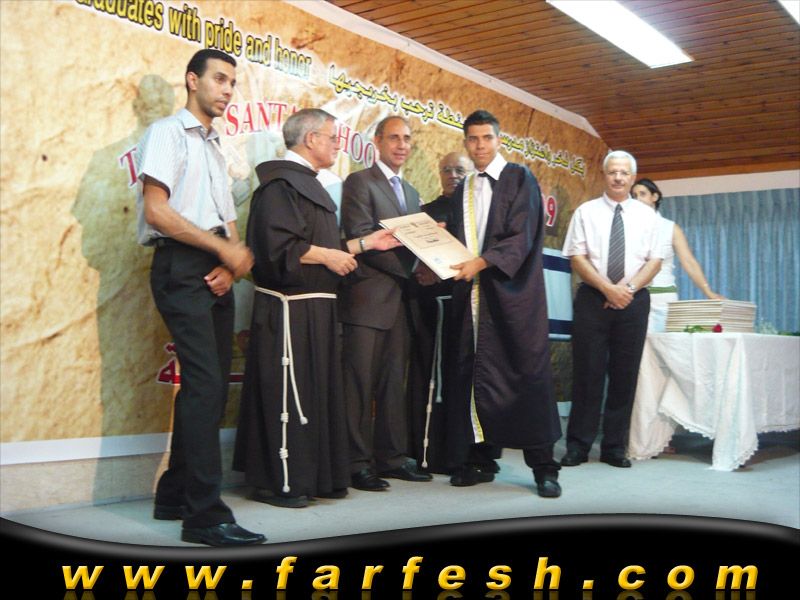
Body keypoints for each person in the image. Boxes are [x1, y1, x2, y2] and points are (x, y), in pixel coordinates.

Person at [232, 109, 400, 508]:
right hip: (289, 312)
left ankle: (315, 476)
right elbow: (276, 249)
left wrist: (365, 244)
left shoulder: (307, 184)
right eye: (332, 137)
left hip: (317, 311)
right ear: (310, 139)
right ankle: (281, 481)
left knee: (315, 397)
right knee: (289, 397)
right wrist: (327, 255)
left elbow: (320, 247)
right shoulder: (279, 186)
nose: (337, 145)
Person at [136, 49, 265, 546]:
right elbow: (157, 211)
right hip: (180, 265)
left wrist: (228, 264)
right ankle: (205, 517)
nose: (228, 90)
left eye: (232, 82)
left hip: (212, 268)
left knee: (205, 387)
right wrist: (221, 251)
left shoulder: (215, 146)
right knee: (206, 386)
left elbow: (225, 221)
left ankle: (174, 495)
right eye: (219, 79)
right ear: (192, 80)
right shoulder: (167, 133)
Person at [442, 109, 562, 498]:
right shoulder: (464, 188)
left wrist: (481, 263)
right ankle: (481, 459)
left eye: (486, 138)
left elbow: (521, 235)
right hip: (473, 298)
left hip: (514, 297)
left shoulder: (520, 178)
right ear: (466, 142)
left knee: (527, 376)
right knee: (474, 376)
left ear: (498, 139)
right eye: (473, 139)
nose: (480, 146)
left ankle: (544, 467)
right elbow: (459, 238)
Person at [339, 115, 432, 491]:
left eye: (407, 138)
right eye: (394, 138)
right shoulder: (359, 182)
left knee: (394, 382)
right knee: (358, 383)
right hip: (366, 299)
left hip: (401, 303)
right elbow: (361, 235)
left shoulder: (411, 191)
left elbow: (414, 244)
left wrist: (432, 257)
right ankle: (355, 462)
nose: (402, 145)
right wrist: (414, 270)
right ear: (376, 142)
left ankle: (391, 457)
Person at [561, 150, 663, 469]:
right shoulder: (586, 212)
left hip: (634, 300)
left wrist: (626, 291)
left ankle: (614, 447)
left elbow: (655, 261)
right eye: (612, 172)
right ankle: (578, 445)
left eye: (624, 173)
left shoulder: (649, 216)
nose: (618, 177)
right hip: (593, 298)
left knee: (624, 375)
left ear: (632, 178)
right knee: (587, 374)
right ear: (604, 175)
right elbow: (577, 257)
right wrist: (608, 289)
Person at [407, 152, 473, 473]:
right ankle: (427, 453)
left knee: (461, 379)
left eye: (459, 169)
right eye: (446, 169)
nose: (453, 175)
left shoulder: (477, 213)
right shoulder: (425, 213)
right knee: (427, 376)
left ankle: (462, 454)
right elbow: (413, 260)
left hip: (466, 308)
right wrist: (424, 269)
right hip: (431, 307)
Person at [631, 178, 724, 332]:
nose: (638, 199)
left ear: (655, 197)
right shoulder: (627, 228)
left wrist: (708, 292)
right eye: (634, 196)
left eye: (642, 194)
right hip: (633, 296)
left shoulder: (670, 228)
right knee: (634, 345)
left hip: (663, 298)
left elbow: (689, 262)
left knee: (664, 343)